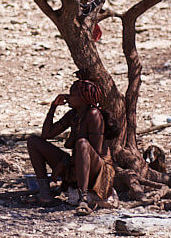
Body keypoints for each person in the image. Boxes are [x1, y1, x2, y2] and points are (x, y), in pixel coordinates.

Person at [26, 78, 117, 213]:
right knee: (33, 141)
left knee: (82, 144)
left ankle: (83, 199)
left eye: (72, 94)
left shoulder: (93, 115)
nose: (67, 97)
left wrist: (64, 164)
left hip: (96, 170)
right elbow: (47, 134)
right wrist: (53, 107)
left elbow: (94, 152)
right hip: (75, 165)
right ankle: (45, 194)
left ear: (84, 98)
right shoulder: (74, 115)